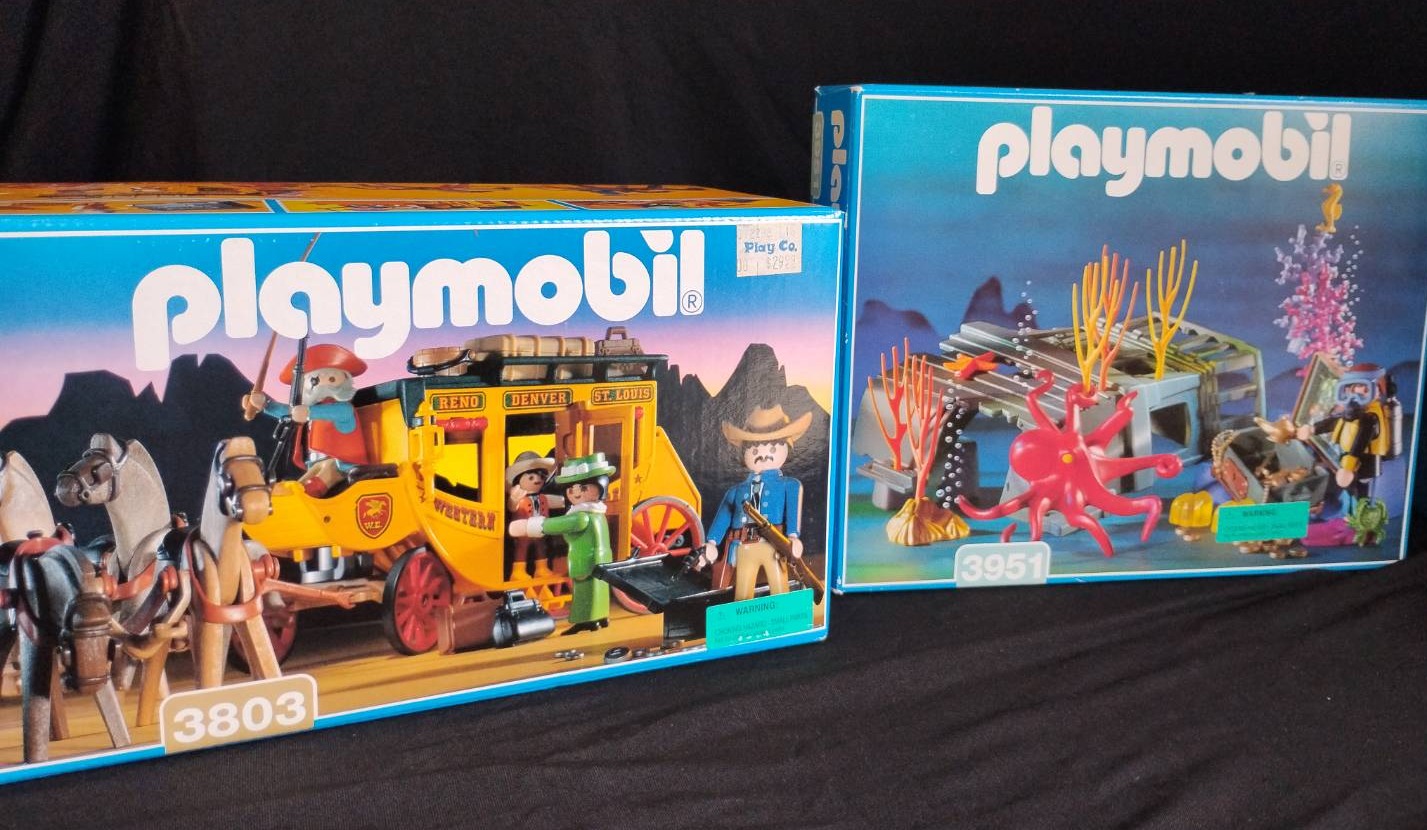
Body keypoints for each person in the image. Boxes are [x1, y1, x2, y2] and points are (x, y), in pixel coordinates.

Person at [699, 405, 810, 602]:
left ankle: (783, 613)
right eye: (755, 449)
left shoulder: (789, 485)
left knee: (779, 586)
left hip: (774, 545)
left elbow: (793, 512)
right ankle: (743, 616)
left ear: (787, 448)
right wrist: (712, 542)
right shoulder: (736, 491)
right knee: (743, 592)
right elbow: (723, 517)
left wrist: (793, 536)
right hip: (743, 547)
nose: (763, 454)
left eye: (773, 448)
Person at [242, 343, 369, 497]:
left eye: (332, 378)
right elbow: (291, 413)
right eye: (315, 380)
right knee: (298, 486)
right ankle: (290, 496)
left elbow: (315, 412)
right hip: (318, 463)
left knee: (321, 478)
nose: (324, 384)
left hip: (342, 465)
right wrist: (265, 404)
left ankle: (305, 497)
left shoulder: (343, 410)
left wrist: (307, 412)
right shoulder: (311, 410)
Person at [509, 453, 615, 634]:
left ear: (600, 488)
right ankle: (601, 616)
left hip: (585, 559)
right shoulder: (598, 514)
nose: (576, 492)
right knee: (599, 587)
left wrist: (528, 526)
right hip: (600, 558)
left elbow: (557, 524)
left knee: (584, 591)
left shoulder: (581, 517)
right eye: (571, 488)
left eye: (583, 488)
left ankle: (586, 620)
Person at [505, 451, 564, 579]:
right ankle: (518, 571)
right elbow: (512, 507)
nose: (537, 480)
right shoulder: (520, 499)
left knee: (541, 547)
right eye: (531, 477)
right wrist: (514, 499)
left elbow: (558, 502)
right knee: (521, 549)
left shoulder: (543, 497)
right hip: (523, 530)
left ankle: (541, 569)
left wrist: (569, 500)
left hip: (541, 529)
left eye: (540, 476)